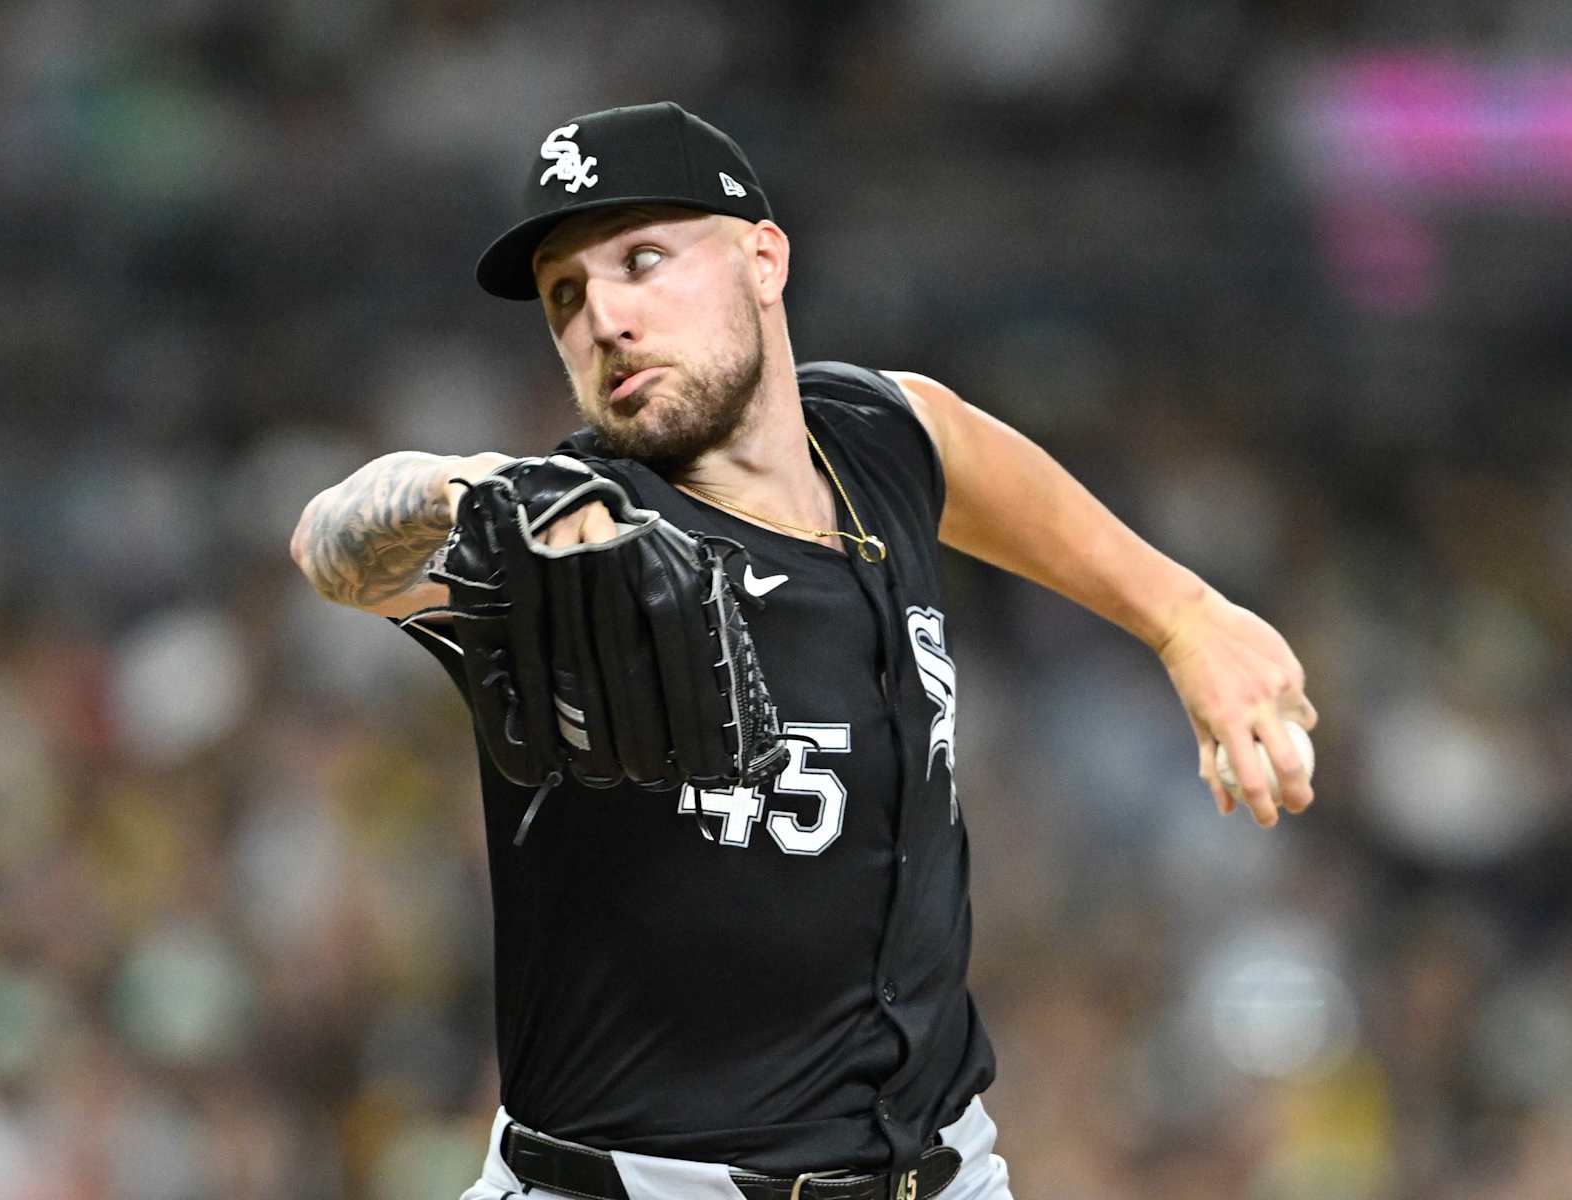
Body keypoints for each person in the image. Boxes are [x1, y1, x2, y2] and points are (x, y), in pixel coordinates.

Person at [290, 101, 1318, 1200]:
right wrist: (465, 492)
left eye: (643, 259)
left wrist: (1183, 616)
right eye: (566, 295)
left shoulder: (875, 442)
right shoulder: (567, 532)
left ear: (764, 259)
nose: (604, 318)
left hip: (939, 1169)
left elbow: (953, 441)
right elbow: (333, 545)